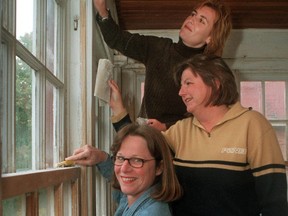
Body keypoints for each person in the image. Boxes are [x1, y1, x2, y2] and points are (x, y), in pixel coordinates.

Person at [108, 54, 288, 215]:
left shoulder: (253, 125)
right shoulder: (181, 130)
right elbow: (139, 151)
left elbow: (274, 201)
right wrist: (119, 111)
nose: (180, 92)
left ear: (215, 83)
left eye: (188, 83)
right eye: (181, 85)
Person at [94, 0, 232, 131]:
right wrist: (102, 11)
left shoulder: (210, 71)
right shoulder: (158, 48)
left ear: (211, 38)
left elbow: (209, 119)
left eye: (201, 21)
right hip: (147, 135)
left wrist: (166, 127)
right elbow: (117, 39)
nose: (191, 20)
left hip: (180, 145)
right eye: (193, 14)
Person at [66, 123, 182, 216]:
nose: (124, 168)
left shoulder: (150, 212)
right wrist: (101, 157)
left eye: (137, 160)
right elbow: (123, 194)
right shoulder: (137, 196)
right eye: (120, 158)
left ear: (159, 167)